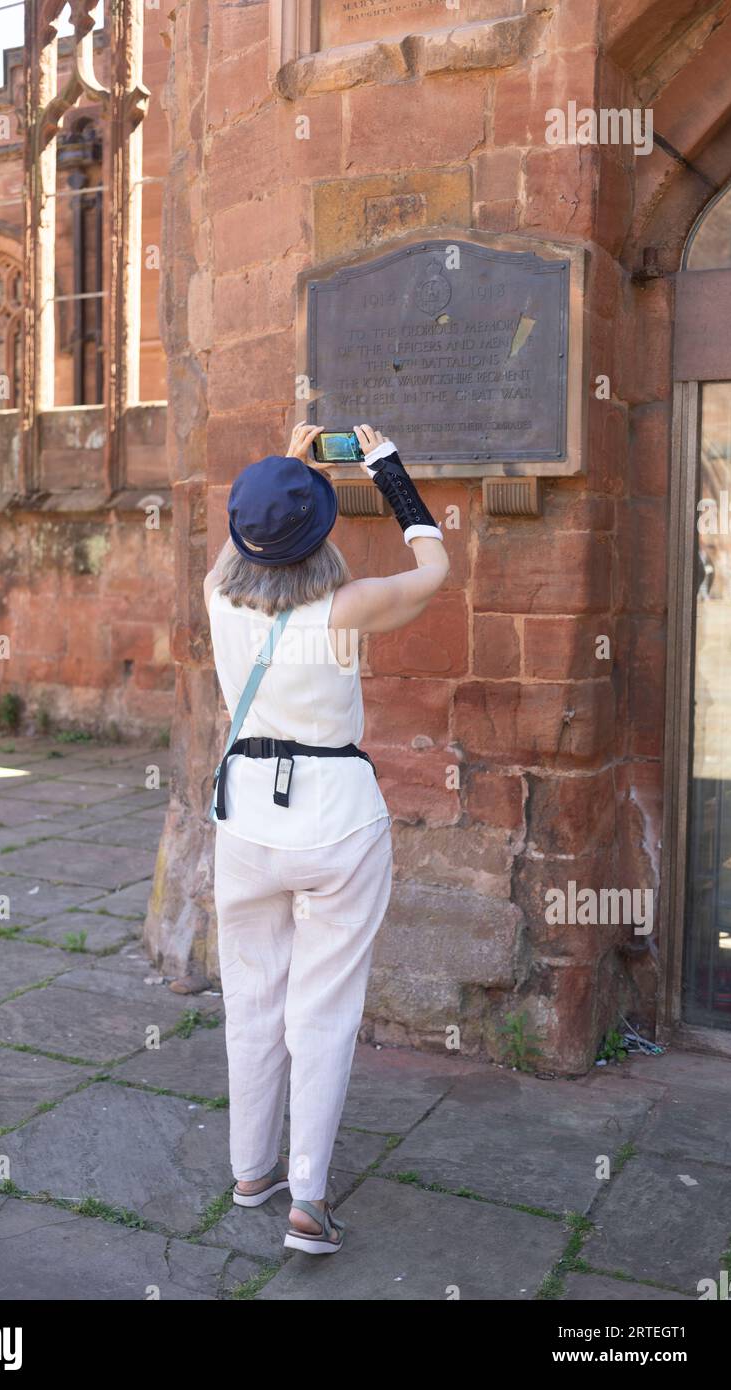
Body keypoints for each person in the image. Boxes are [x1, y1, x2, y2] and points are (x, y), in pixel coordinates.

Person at [204, 420, 449, 1254]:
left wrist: (285, 465)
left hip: (245, 827)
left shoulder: (216, 595)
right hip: (337, 825)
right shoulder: (347, 610)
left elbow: (248, 533)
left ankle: (250, 1171)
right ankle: (307, 1199)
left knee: (252, 1000)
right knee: (323, 1014)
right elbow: (435, 569)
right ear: (319, 532)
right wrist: (388, 469)